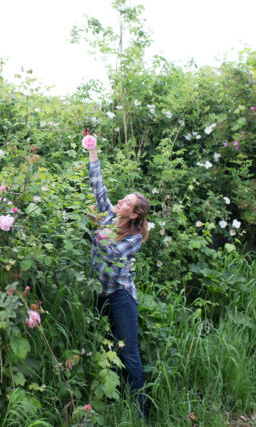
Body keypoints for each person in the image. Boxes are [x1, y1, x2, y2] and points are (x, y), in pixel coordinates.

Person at [86, 142, 150, 417]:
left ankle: (141, 414)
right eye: (122, 199)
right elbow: (98, 185)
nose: (120, 202)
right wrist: (92, 149)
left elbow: (111, 253)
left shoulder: (134, 237)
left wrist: (95, 227)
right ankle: (113, 404)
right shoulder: (108, 216)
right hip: (99, 293)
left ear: (134, 214)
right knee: (106, 347)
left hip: (120, 296)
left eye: (127, 203)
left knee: (129, 353)